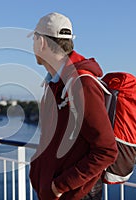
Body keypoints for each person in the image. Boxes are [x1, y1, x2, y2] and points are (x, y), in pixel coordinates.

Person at [29, 12, 118, 200]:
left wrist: (58, 186)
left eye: (34, 39)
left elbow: (106, 150)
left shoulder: (82, 85)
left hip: (76, 195)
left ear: (42, 43)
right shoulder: (55, 84)